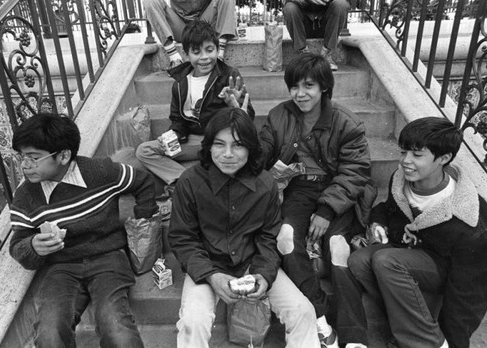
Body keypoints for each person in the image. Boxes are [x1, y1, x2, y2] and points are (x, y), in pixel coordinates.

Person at [169, 107, 321, 348]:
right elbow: (182, 238)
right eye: (219, 144)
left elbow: (268, 238)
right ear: (208, 146)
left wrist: (263, 274)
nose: (228, 154)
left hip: (251, 261)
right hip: (207, 263)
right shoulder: (190, 182)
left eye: (238, 145)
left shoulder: (266, 184)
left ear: (250, 148)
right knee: (192, 322)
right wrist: (211, 275)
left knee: (303, 311)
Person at [9, 113, 158, 347]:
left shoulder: (101, 172)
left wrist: (142, 217)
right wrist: (33, 246)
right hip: (61, 267)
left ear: (64, 156)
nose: (25, 165)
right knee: (49, 333)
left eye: (33, 157)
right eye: (22, 157)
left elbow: (144, 182)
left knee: (116, 328)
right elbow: (18, 244)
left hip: (109, 258)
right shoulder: (26, 195)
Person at [259, 53, 376, 348]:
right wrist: (242, 113)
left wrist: (326, 210)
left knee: (338, 249)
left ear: (324, 86)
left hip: (337, 193)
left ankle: (355, 338)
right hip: (298, 190)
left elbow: (356, 171)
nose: (300, 94)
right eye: (294, 86)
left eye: (308, 86)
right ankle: (320, 317)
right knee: (285, 239)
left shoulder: (345, 122)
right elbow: (261, 154)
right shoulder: (278, 115)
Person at [348, 117, 487, 348]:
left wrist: (453, 341)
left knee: (386, 260)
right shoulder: (400, 180)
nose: (405, 161)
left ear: (444, 158)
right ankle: (408, 323)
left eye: (417, 155)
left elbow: (469, 292)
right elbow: (387, 208)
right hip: (407, 256)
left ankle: (429, 342)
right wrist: (378, 222)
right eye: (403, 153)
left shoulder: (469, 217)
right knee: (359, 260)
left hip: (444, 272)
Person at [136, 19, 254, 189]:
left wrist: (234, 107)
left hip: (218, 140)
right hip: (192, 142)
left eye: (209, 50)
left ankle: (201, 175)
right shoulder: (180, 83)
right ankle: (183, 180)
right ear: (186, 55)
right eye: (197, 52)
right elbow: (177, 120)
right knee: (144, 150)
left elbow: (247, 121)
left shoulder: (228, 76)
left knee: (232, 154)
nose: (204, 58)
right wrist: (171, 136)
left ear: (217, 50)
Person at [143, 0, 236, 68]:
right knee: (149, 1)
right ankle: (174, 58)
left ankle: (219, 54)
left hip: (205, 23)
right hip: (181, 28)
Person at [282, 0, 351, 70]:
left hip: (326, 24)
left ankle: (326, 53)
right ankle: (304, 55)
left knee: (341, 4)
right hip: (303, 24)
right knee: (290, 8)